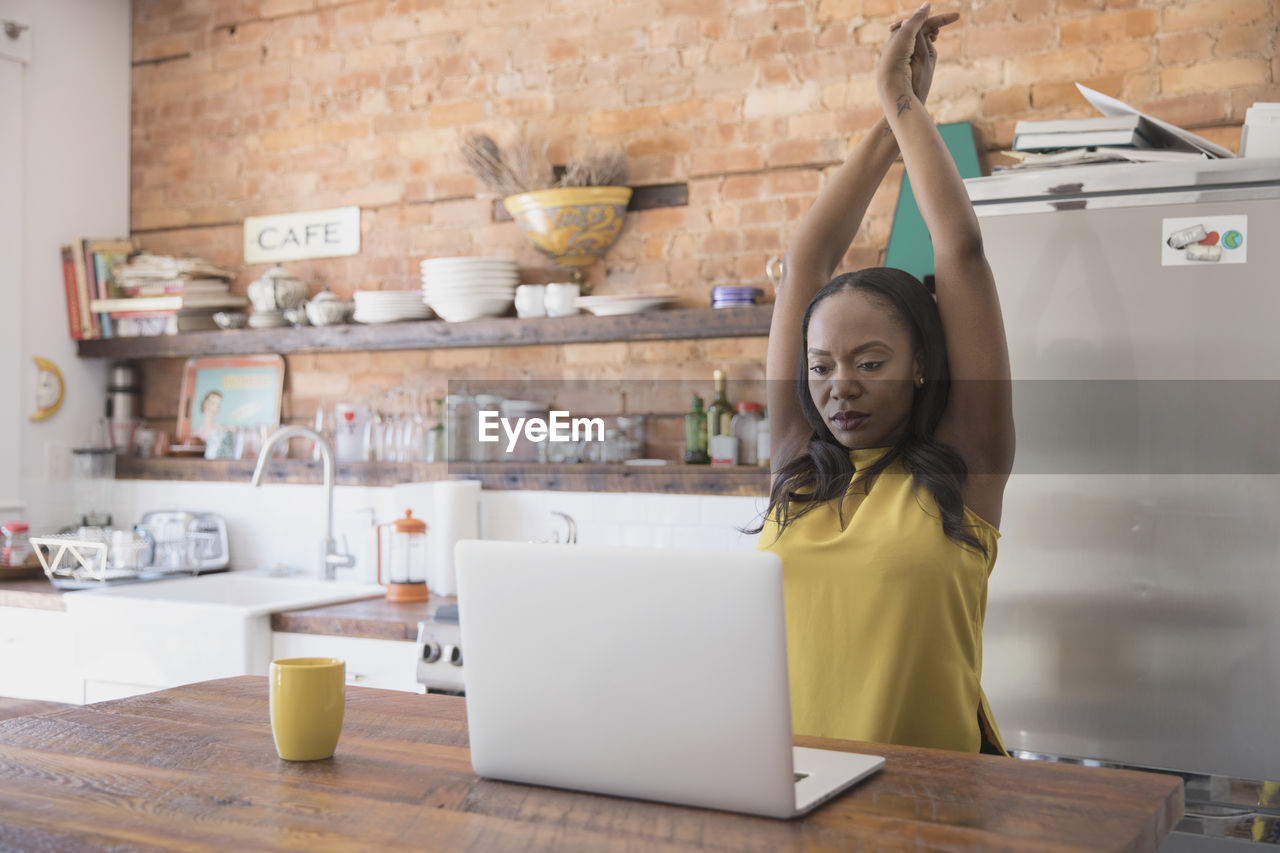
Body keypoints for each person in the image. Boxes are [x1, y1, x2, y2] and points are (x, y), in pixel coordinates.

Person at [755, 2, 1014, 755]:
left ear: (921, 364)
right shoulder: (796, 466)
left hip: (929, 812)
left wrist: (898, 99)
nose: (841, 385)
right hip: (791, 798)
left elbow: (958, 247)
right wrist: (893, 120)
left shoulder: (968, 469)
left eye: (871, 362)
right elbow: (806, 261)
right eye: (823, 366)